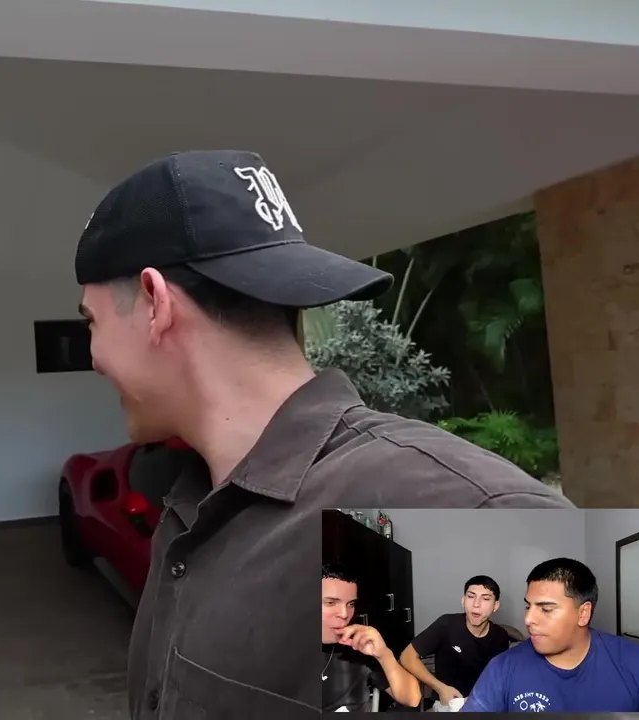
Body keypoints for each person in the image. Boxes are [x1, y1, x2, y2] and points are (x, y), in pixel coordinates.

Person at [72, 149, 575, 717]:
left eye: (92, 322)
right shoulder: (190, 512)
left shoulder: (475, 514)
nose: (93, 357)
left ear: (154, 302)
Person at [461, 558, 639, 712]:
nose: (528, 619)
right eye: (528, 606)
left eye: (545, 609)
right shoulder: (502, 668)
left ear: (583, 613)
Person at [399, 575, 511, 710]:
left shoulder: (500, 636)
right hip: (448, 702)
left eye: (486, 599)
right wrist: (440, 688)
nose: (476, 604)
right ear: (463, 601)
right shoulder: (446, 625)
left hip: (483, 702)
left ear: (495, 606)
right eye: (471, 596)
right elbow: (407, 656)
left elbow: (500, 678)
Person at [321, 563, 422, 712]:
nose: (344, 614)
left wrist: (384, 655)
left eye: (351, 604)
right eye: (330, 603)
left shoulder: (358, 646)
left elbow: (412, 699)